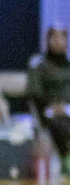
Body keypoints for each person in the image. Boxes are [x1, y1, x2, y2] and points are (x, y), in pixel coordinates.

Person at [28, 27, 70, 166]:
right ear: (48, 40)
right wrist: (52, 106)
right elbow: (35, 92)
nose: (58, 41)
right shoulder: (38, 64)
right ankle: (66, 162)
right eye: (54, 37)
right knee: (61, 125)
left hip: (67, 111)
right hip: (48, 114)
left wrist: (65, 107)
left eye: (62, 38)